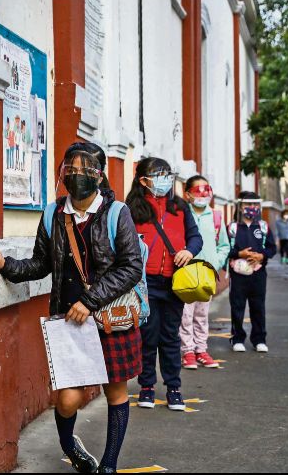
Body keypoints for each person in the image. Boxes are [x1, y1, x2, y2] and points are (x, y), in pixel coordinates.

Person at [0, 146, 144, 474]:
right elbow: (42, 263)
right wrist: (7, 265)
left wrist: (90, 301)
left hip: (108, 318)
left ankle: (109, 466)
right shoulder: (53, 214)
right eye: (69, 169)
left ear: (98, 176)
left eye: (84, 169)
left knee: (115, 391)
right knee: (67, 400)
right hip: (68, 321)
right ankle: (70, 445)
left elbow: (131, 267)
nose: (76, 175)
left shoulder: (117, 213)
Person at [125, 158, 202, 412]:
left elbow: (196, 237)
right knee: (147, 337)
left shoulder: (179, 207)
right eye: (158, 174)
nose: (164, 179)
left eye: (167, 174)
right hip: (144, 284)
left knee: (170, 337)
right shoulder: (132, 209)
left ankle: (174, 388)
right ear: (143, 180)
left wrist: (189, 252)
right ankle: (146, 386)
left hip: (174, 282)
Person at [179, 176, 230, 370]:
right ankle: (188, 351)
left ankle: (201, 349)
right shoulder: (183, 214)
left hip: (207, 274)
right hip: (187, 273)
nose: (203, 194)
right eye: (198, 190)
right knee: (185, 314)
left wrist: (216, 263)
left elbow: (224, 245)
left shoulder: (216, 216)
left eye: (206, 189)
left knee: (202, 314)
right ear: (188, 194)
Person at [228, 191, 276, 353]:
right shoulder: (233, 227)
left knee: (258, 307)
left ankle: (259, 339)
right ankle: (237, 338)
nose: (252, 207)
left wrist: (261, 256)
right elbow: (226, 249)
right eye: (248, 204)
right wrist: (238, 254)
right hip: (238, 275)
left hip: (258, 275)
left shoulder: (263, 227)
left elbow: (272, 248)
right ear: (240, 207)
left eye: (255, 204)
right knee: (237, 306)